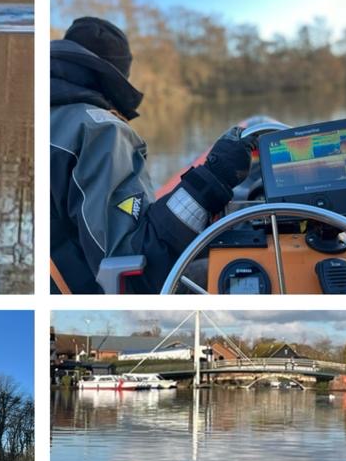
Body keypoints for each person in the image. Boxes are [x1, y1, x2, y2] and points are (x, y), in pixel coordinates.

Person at [51, 17, 254, 294]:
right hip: (98, 297)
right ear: (118, 77)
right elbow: (132, 274)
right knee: (245, 268)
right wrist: (212, 179)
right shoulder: (101, 131)